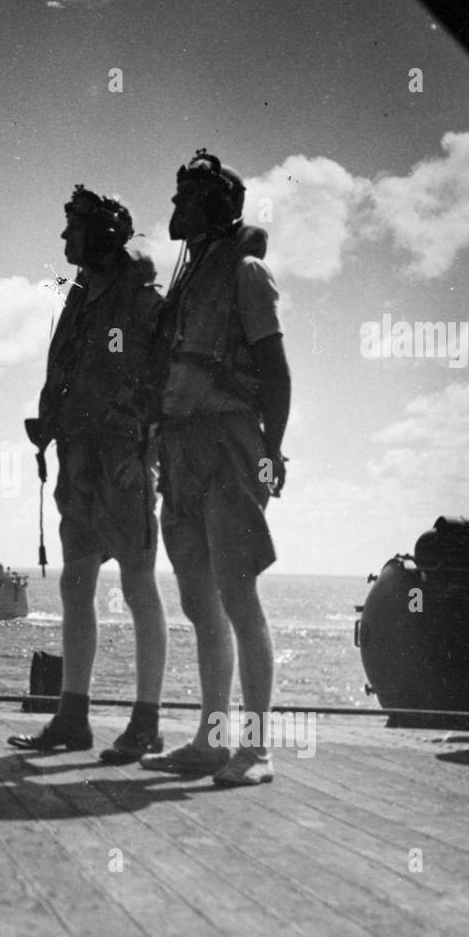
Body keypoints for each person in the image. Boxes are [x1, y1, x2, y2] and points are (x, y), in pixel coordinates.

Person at [139, 150, 291, 787]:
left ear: (219, 206)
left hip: (229, 448)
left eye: (187, 199)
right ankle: (210, 738)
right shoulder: (189, 279)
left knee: (237, 596)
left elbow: (276, 370)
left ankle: (254, 750)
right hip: (180, 454)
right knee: (201, 604)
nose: (175, 209)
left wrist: (272, 450)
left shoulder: (245, 273)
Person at [8, 185, 169, 762]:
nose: (63, 237)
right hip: (79, 457)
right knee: (76, 586)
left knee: (137, 585)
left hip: (122, 456)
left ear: (99, 234)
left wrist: (147, 446)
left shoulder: (139, 294)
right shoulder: (82, 292)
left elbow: (159, 373)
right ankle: (72, 718)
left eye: (72, 226)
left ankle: (145, 723)